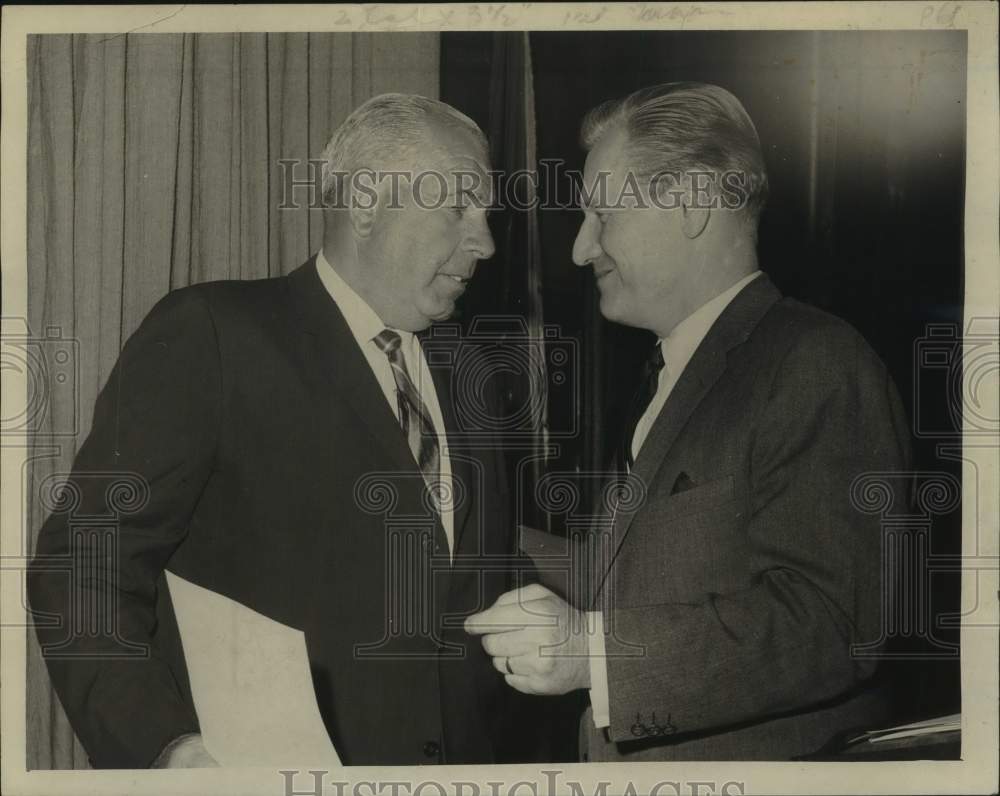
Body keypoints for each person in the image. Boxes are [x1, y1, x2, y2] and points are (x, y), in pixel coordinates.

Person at [28, 93, 527, 768]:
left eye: (487, 214)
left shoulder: (474, 375)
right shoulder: (213, 335)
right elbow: (83, 566)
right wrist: (168, 749)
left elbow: (468, 580)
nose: (485, 243)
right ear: (366, 202)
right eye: (459, 207)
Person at [465, 82, 913, 761]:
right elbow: (640, 579)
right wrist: (467, 527)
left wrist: (593, 656)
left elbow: (831, 624)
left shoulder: (816, 362)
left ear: (695, 202)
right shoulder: (670, 372)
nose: (581, 249)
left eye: (602, 215)